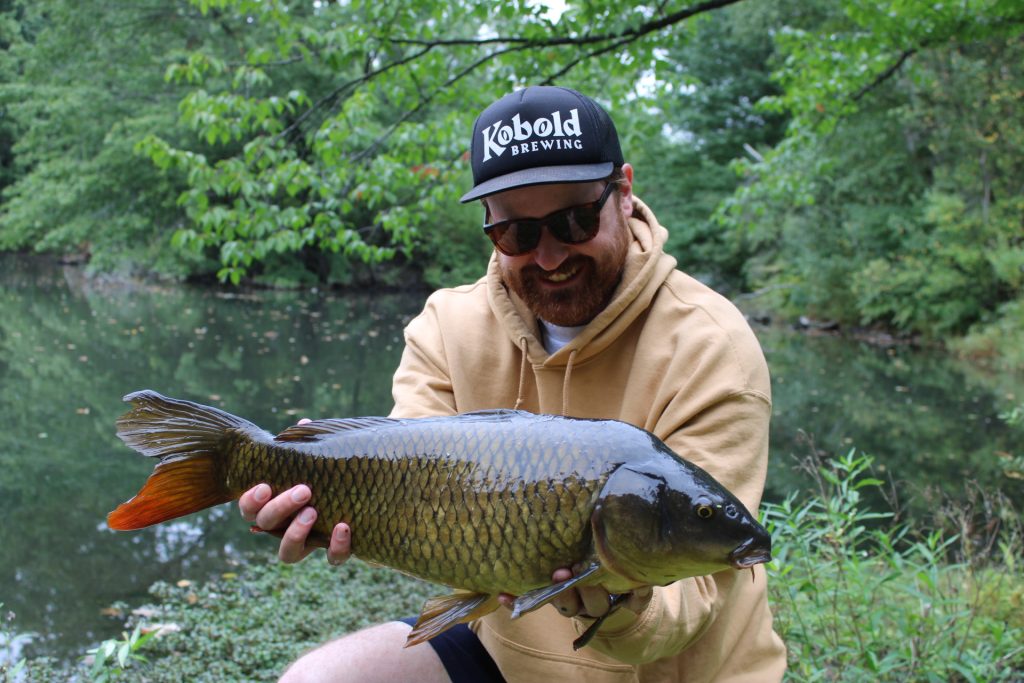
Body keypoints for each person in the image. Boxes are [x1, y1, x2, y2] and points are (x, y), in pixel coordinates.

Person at [240, 86, 787, 682]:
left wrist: (610, 599)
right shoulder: (448, 325)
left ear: (624, 192)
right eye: (517, 234)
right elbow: (401, 485)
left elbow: (697, 596)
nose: (549, 256)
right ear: (489, 225)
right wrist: (323, 503)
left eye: (574, 221)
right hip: (509, 662)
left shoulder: (712, 346)